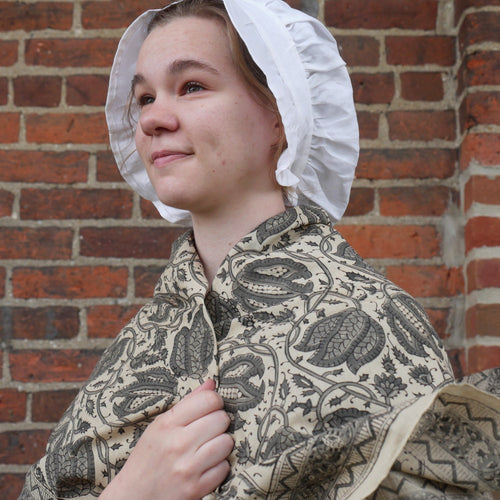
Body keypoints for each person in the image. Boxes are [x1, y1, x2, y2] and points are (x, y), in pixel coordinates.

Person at [20, 0, 500, 498]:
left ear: (279, 115)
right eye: (144, 98)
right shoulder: (137, 346)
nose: (151, 119)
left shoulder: (373, 323)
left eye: (192, 86)